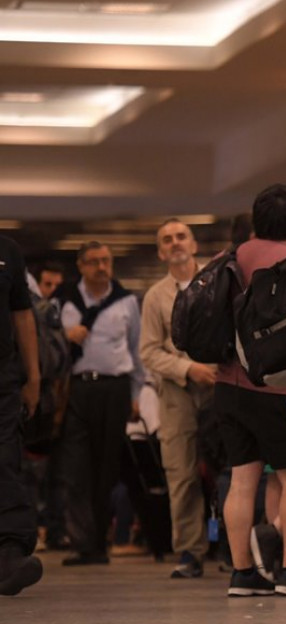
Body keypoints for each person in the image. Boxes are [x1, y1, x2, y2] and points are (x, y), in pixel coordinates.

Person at [215, 185, 286, 597]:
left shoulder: (228, 260)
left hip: (227, 384)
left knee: (241, 481)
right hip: (277, 388)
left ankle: (241, 573)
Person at [55, 242, 144, 566]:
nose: (101, 267)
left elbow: (136, 352)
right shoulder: (64, 299)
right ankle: (82, 541)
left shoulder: (126, 302)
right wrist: (66, 336)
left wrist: (136, 396)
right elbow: (47, 342)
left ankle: (99, 545)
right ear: (81, 266)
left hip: (115, 389)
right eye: (93, 262)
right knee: (77, 467)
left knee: (107, 467)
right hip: (76, 388)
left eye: (106, 261)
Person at [138, 219, 216, 579]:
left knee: (232, 471)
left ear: (194, 243)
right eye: (167, 239)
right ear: (160, 251)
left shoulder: (218, 281)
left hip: (220, 385)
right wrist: (188, 369)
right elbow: (149, 352)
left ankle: (235, 548)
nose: (175, 243)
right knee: (181, 472)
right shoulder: (156, 296)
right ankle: (190, 550)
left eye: (181, 236)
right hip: (177, 390)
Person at [0, 235, 43, 596]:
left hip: (2, 376)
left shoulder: (7, 250)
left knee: (5, 459)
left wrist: (34, 376)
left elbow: (22, 314)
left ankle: (10, 554)